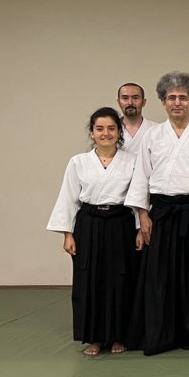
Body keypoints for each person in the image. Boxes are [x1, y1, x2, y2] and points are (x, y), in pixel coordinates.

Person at [125, 71, 189, 355]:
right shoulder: (152, 136)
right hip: (162, 213)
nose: (177, 103)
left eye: (183, 98)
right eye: (171, 98)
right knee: (159, 278)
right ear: (163, 103)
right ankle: (160, 336)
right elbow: (141, 177)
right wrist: (143, 216)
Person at [47, 107, 141, 356]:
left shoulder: (132, 161)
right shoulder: (78, 162)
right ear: (92, 132)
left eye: (111, 128)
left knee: (121, 278)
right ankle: (95, 337)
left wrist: (140, 229)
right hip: (89, 224)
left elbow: (139, 197)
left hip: (121, 222)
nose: (105, 133)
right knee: (89, 279)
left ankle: (120, 335)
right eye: (100, 128)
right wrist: (67, 234)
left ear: (119, 132)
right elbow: (68, 198)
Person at [117, 83, 158, 154]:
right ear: (119, 102)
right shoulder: (110, 129)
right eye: (125, 98)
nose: (130, 103)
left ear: (143, 102)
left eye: (135, 98)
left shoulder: (156, 129)